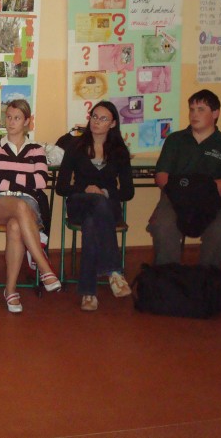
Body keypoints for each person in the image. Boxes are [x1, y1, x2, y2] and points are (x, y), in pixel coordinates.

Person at [0, 99, 61, 313]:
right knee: (20, 206)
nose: (11, 122)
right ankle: (44, 267)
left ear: (26, 121)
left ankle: (10, 290)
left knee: (16, 224)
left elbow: (41, 182)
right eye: (8, 117)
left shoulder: (36, 150)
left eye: (17, 118)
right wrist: (24, 181)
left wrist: (7, 177)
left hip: (28, 203)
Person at [56, 100, 134, 311]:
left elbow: (128, 192)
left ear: (113, 124)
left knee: (92, 223)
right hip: (79, 204)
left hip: (108, 208)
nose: (96, 121)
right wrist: (85, 189)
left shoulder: (119, 151)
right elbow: (61, 187)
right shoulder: (75, 147)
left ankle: (88, 293)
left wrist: (105, 193)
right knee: (95, 207)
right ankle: (114, 271)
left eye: (103, 118)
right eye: (94, 116)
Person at [147, 89, 221, 268]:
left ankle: (207, 276)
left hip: (215, 200)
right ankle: (167, 275)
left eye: (201, 109)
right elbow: (161, 176)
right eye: (191, 109)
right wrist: (183, 192)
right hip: (176, 198)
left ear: (215, 113)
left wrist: (194, 188)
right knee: (162, 227)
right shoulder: (175, 139)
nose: (194, 114)